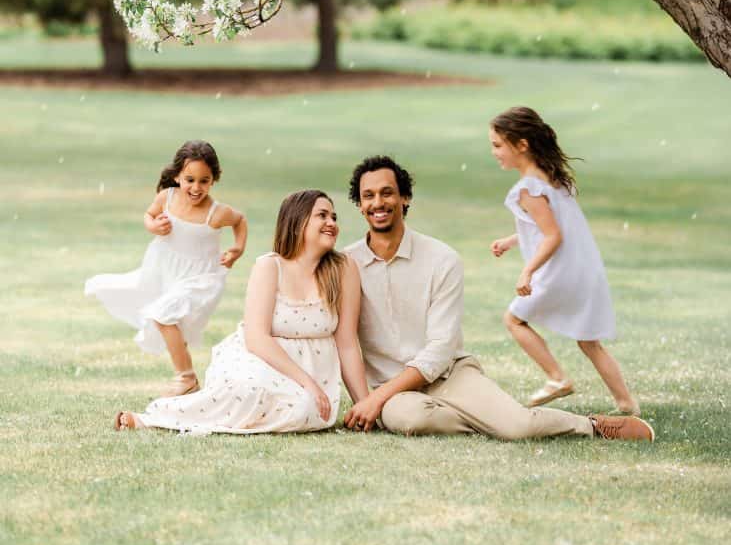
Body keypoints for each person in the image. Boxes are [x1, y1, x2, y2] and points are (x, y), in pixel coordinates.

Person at [343, 155, 654, 441]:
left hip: (449, 374)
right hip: (396, 394)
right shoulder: (346, 264)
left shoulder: (441, 258)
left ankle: (590, 425)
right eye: (368, 195)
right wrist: (373, 398)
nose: (378, 203)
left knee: (520, 428)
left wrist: (375, 402)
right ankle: (489, 420)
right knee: (410, 419)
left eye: (387, 193)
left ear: (404, 197)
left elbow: (440, 348)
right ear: (359, 204)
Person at [114, 190, 367, 434]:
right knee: (251, 392)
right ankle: (153, 418)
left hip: (312, 370)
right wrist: (307, 383)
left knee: (303, 409)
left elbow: (346, 344)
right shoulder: (270, 266)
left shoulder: (344, 269)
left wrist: (365, 405)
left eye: (334, 217)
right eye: (322, 215)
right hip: (260, 359)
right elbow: (257, 339)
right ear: (297, 221)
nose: (331, 222)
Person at [490, 106, 640, 414]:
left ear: (521, 145)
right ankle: (627, 403)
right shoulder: (553, 179)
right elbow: (549, 227)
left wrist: (527, 271)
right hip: (582, 269)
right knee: (589, 341)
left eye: (497, 145)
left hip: (559, 270)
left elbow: (553, 236)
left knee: (514, 320)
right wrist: (511, 240)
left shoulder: (528, 188)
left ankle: (557, 378)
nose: (494, 152)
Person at [85, 140, 247, 398]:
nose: (196, 188)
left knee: (163, 314)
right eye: (189, 179)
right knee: (170, 320)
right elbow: (148, 215)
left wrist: (237, 250)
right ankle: (187, 378)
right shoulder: (167, 198)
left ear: (213, 180)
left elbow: (240, 221)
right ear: (177, 176)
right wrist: (153, 226)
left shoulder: (216, 213)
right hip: (164, 270)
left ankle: (186, 377)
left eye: (204, 181)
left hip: (200, 278)